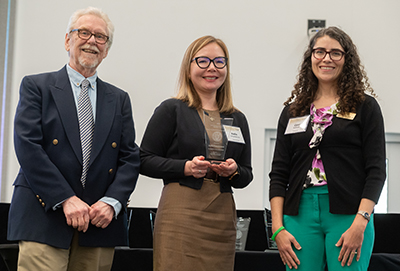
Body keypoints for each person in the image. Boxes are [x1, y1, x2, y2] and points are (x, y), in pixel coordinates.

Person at [7, 7, 140, 271]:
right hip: (44, 216)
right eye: (84, 33)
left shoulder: (119, 99)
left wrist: (111, 203)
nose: (92, 41)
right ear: (68, 40)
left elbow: (129, 157)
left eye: (100, 37)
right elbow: (28, 146)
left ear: (106, 49)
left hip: (99, 221)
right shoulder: (37, 87)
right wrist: (66, 198)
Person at [269, 26, 386, 271]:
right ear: (310, 57)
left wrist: (360, 222)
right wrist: (277, 228)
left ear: (347, 59)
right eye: (319, 51)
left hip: (349, 215)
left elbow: (376, 171)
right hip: (298, 214)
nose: (326, 58)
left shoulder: (366, 107)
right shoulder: (293, 111)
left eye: (335, 53)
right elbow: (279, 174)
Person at [140, 35, 253, 271]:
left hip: (222, 214)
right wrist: (185, 167)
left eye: (219, 62)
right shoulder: (171, 109)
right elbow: (143, 160)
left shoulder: (237, 118)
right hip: (180, 212)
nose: (211, 68)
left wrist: (233, 171)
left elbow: (246, 174)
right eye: (203, 61)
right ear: (188, 67)